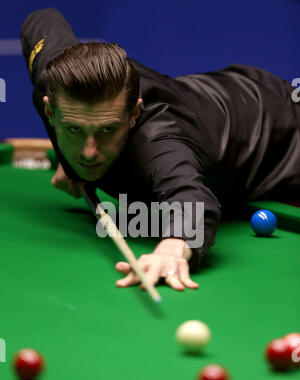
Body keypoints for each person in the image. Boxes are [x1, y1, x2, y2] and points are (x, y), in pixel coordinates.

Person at [20, 8, 300, 292]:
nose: (89, 152)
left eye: (107, 130)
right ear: (50, 110)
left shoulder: (158, 142)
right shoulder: (55, 76)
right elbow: (42, 19)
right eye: (75, 129)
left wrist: (172, 248)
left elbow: (190, 196)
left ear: (133, 115)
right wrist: (68, 161)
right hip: (215, 97)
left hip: (285, 129)